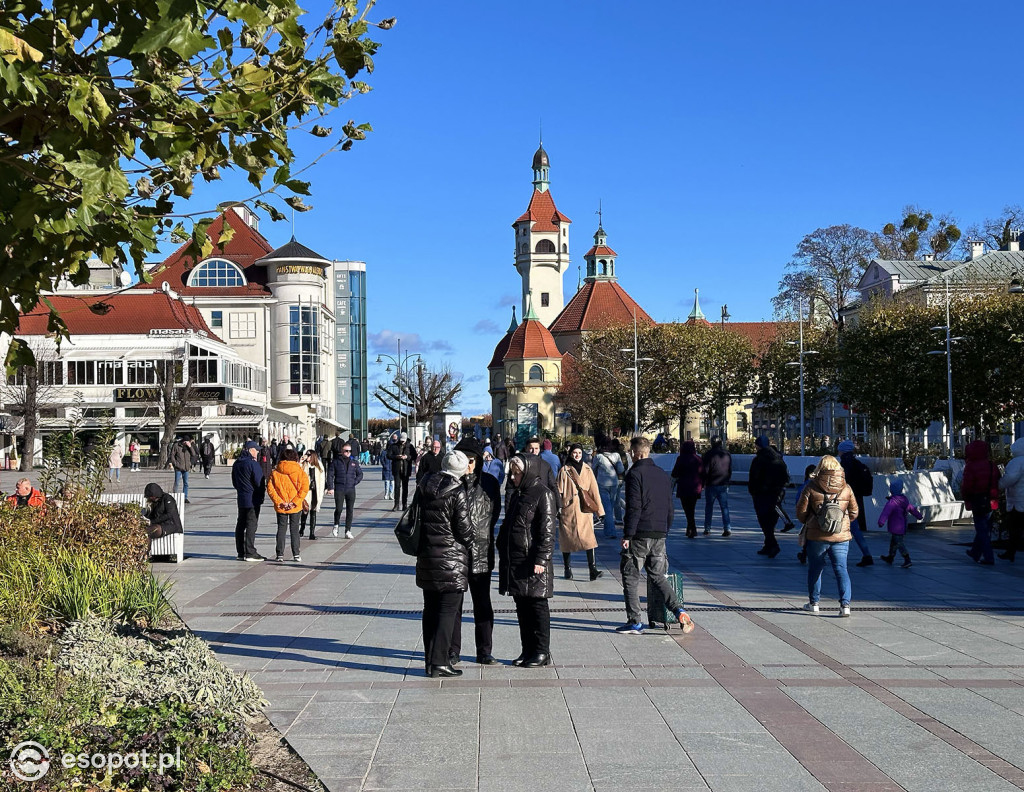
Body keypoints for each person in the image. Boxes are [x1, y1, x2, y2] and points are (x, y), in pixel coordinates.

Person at [617, 436, 695, 635]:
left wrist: (628, 534)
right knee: (658, 577)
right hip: (660, 533)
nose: (631, 456)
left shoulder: (634, 474)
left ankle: (634, 621)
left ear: (637, 453)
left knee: (631, 576)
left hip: (640, 533)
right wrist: (664, 530)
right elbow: (670, 507)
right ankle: (679, 611)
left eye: (631, 453)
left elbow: (634, 507)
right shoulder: (662, 474)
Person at [416, 450, 473, 678]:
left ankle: (430, 661)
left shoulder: (424, 484)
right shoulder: (457, 491)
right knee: (448, 611)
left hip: (427, 556)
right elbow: (464, 528)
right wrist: (471, 541)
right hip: (450, 560)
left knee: (430, 610)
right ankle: (440, 661)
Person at [498, 454, 557, 666]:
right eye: (512, 473)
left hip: (533, 560)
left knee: (537, 605)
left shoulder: (543, 494)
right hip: (517, 560)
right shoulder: (518, 494)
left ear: (528, 471)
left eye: (517, 473)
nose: (513, 477)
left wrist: (542, 558)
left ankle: (542, 651)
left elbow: (547, 531)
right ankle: (527, 650)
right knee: (522, 606)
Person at [451, 438, 502, 665]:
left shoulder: (489, 483)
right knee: (454, 606)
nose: (468, 465)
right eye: (463, 460)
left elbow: (494, 515)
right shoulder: (451, 482)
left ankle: (484, 650)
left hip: (481, 552)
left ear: (478, 460)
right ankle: (453, 651)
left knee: (482, 604)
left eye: (471, 460)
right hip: (456, 554)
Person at [795, 455, 858, 617]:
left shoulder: (811, 486)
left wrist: (814, 520)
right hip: (841, 536)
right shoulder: (846, 487)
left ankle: (814, 603)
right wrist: (841, 522)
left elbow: (801, 514)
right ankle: (845, 606)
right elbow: (854, 512)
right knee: (841, 569)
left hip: (816, 536)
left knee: (815, 569)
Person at [556, 443, 604, 581]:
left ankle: (592, 569)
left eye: (579, 453)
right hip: (568, 509)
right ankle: (567, 569)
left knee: (589, 540)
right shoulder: (564, 470)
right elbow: (558, 491)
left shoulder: (588, 469)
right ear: (570, 453)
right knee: (566, 540)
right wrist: (557, 508)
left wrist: (600, 512)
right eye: (574, 453)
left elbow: (594, 491)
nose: (577, 455)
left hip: (585, 510)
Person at [747, 436, 789, 558]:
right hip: (777, 493)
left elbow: (754, 477)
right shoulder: (778, 458)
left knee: (764, 521)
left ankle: (773, 545)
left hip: (762, 494)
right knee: (770, 521)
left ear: (758, 445)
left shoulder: (759, 459)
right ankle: (768, 545)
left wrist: (753, 491)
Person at [266, 448, 309, 562]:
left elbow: (270, 489)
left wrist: (280, 502)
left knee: (281, 529)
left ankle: (280, 554)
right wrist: (294, 502)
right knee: (294, 529)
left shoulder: (275, 472)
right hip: (295, 506)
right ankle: (296, 554)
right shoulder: (300, 472)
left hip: (281, 506)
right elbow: (304, 488)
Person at [962, 439, 999, 565]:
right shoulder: (991, 465)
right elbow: (997, 480)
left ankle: (989, 557)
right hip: (992, 499)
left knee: (981, 529)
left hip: (978, 499)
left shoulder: (971, 466)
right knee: (985, 527)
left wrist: (966, 498)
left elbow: (967, 486)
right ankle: (975, 552)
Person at [838, 440, 874, 566]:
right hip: (856, 500)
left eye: (839, 450)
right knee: (854, 528)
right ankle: (866, 554)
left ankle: (821, 554)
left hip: (845, 501)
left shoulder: (845, 464)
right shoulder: (857, 463)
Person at [231, 441, 265, 561]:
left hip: (241, 498)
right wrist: (261, 495)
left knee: (240, 524)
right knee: (251, 524)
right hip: (253, 499)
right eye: (256, 450)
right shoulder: (252, 464)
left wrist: (241, 490)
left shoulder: (237, 463)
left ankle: (241, 552)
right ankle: (250, 552)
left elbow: (234, 482)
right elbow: (259, 482)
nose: (258, 452)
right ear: (251, 450)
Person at [878, 479, 921, 568]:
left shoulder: (892, 502)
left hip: (895, 526)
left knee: (898, 543)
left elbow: (885, 512)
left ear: (892, 490)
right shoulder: (904, 500)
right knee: (894, 542)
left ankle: (907, 559)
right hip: (903, 526)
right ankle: (890, 557)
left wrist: (881, 522)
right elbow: (912, 509)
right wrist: (919, 516)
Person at [325, 441, 363, 538]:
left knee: (350, 510)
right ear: (342, 451)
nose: (348, 453)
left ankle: (348, 530)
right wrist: (330, 487)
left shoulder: (354, 462)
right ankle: (336, 525)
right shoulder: (336, 462)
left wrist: (355, 482)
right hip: (339, 488)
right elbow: (330, 475)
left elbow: (360, 474)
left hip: (350, 488)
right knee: (339, 508)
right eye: (346, 451)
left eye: (350, 451)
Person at [592, 440, 625, 540]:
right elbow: (621, 470)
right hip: (614, 483)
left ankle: (610, 531)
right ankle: (608, 529)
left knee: (607, 509)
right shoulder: (617, 456)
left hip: (602, 483)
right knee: (610, 506)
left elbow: (593, 469)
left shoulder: (598, 457)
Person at [671, 440, 703, 539]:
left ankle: (691, 528)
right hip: (695, 487)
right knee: (691, 508)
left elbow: (675, 473)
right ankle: (691, 529)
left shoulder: (681, 459)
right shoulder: (698, 459)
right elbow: (703, 473)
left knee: (687, 509)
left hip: (684, 487)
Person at [999, 438, 1024, 562]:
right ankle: (1010, 552)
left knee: (1014, 528)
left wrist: (999, 484)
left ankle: (1010, 552)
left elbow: (1009, 478)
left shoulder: (1017, 462)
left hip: (1018, 500)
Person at [701, 437, 732, 537]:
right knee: (724, 507)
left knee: (709, 507)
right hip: (723, 484)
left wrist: (702, 483)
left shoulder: (708, 454)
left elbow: (705, 471)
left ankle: (707, 528)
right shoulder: (727, 454)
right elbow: (729, 469)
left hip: (711, 484)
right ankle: (727, 528)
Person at [387, 431, 418, 511]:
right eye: (401, 440)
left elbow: (414, 456)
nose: (402, 442)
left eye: (403, 440)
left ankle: (404, 504)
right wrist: (396, 457)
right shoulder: (394, 446)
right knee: (397, 487)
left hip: (406, 469)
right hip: (397, 470)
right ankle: (396, 505)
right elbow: (388, 455)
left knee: (405, 487)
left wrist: (407, 457)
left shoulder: (410, 446)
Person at [300, 451, 325, 540]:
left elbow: (322, 479)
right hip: (306, 491)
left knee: (313, 511)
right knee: (305, 510)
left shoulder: (319, 465)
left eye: (308, 455)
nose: (307, 457)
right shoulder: (303, 465)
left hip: (315, 491)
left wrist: (322, 491)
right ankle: (302, 529)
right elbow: (297, 472)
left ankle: (312, 533)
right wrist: (301, 461)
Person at [795, 464, 816, 564]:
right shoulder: (821, 484)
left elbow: (798, 500)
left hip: (808, 514)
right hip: (817, 514)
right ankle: (805, 553)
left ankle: (804, 553)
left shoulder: (805, 485)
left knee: (807, 534)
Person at [169, 437, 197, 503]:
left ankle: (185, 497)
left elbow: (193, 454)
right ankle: (174, 496)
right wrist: (175, 463)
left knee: (186, 483)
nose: (186, 443)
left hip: (186, 467)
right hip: (178, 467)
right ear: (183, 441)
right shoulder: (177, 445)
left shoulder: (189, 446)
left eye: (187, 441)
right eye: (185, 442)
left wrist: (190, 447)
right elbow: (172, 455)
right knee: (177, 482)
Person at [381, 435, 395, 500]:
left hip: (392, 469)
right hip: (386, 469)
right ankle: (386, 494)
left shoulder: (394, 452)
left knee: (392, 482)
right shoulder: (384, 452)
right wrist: (384, 465)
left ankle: (391, 494)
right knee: (387, 483)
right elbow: (382, 460)